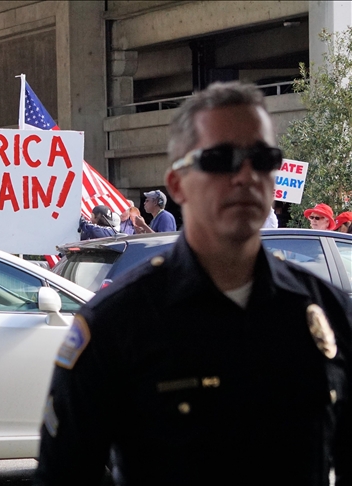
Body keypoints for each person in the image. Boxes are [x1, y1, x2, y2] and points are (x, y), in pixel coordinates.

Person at [35, 82, 352, 486]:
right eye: (221, 159)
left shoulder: (324, 311)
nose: (246, 176)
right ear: (178, 183)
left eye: (262, 158)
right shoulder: (116, 324)